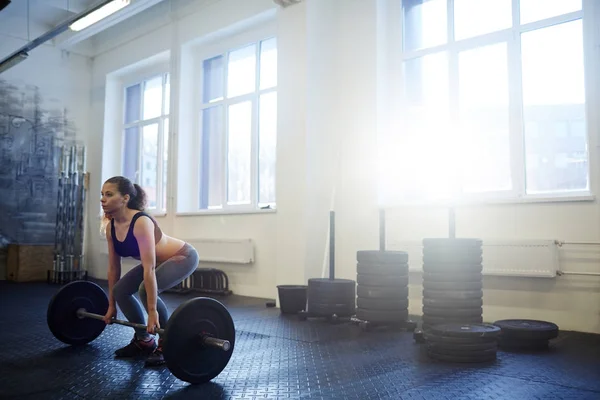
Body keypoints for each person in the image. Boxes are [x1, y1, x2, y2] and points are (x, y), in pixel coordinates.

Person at [99, 176, 199, 367]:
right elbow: (113, 268)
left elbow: (149, 268)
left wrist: (152, 311)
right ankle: (143, 340)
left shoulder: (140, 222)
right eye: (102, 195)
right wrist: (111, 305)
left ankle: (167, 342)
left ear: (125, 198)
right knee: (120, 290)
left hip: (182, 256)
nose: (103, 199)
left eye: (109, 194)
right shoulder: (111, 227)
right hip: (157, 262)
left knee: (145, 289)